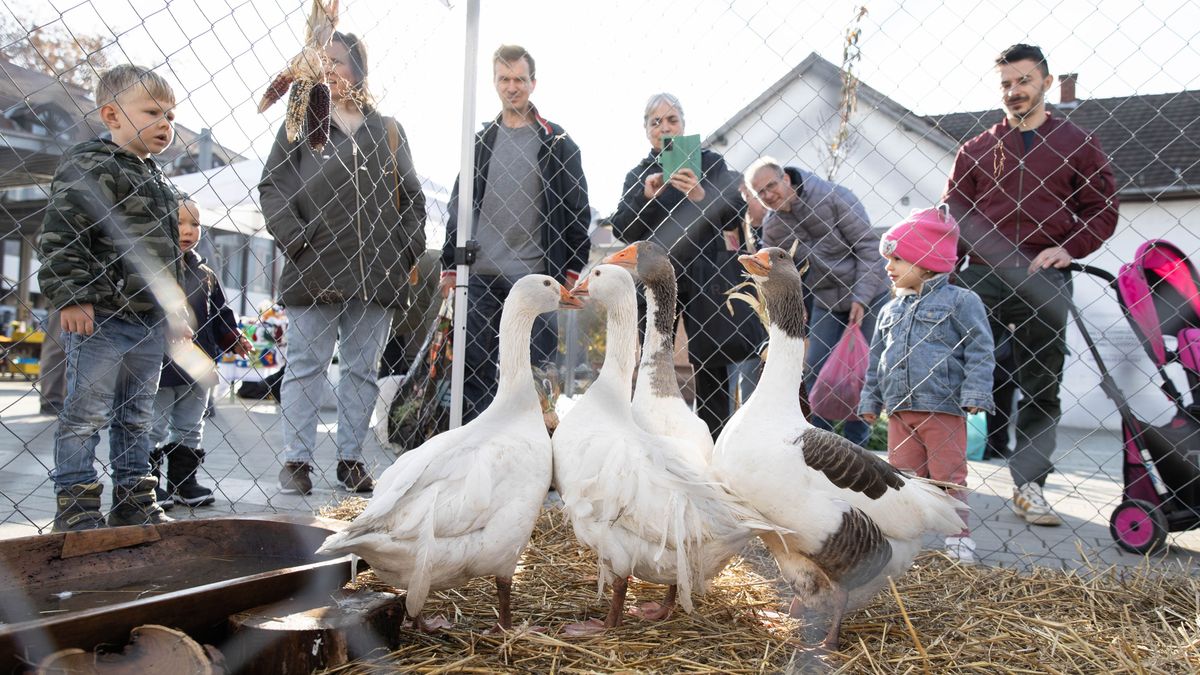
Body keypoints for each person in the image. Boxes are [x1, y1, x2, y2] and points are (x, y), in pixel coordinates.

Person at [943, 43, 1118, 526]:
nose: (1014, 92)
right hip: (981, 276)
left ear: (1044, 81)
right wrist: (946, 271)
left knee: (1043, 383)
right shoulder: (977, 149)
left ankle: (1029, 488)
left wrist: (1070, 248)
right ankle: (939, 481)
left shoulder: (1078, 143)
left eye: (1023, 81)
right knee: (952, 372)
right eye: (1005, 84)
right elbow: (953, 215)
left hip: (1044, 277)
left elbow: (1102, 209)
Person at [261, 31, 426, 496]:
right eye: (322, 63)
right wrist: (297, 239)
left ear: (359, 69)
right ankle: (296, 461)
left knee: (361, 370)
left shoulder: (387, 130)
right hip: (314, 267)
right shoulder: (301, 125)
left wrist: (404, 250)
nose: (329, 71)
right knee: (305, 366)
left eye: (338, 62)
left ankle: (350, 459)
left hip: (376, 273)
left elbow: (412, 199)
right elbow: (272, 187)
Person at [37, 64, 183, 531]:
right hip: (100, 317)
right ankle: (77, 503)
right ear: (112, 115)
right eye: (153, 112)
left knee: (137, 416)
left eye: (172, 115)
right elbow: (62, 235)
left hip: (147, 322)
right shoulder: (90, 163)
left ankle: (133, 497)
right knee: (85, 414)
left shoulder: (159, 180)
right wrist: (73, 296)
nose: (167, 123)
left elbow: (168, 258)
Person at [439, 44, 590, 422]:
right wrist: (449, 266)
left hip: (534, 276)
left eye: (519, 79)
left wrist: (570, 272)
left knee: (535, 372)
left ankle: (533, 451)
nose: (512, 87)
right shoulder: (479, 142)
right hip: (481, 275)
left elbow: (577, 211)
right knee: (474, 371)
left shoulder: (558, 143)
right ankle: (476, 452)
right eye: (504, 79)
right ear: (495, 82)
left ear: (532, 83)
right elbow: (459, 205)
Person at [609, 93, 764, 435]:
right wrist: (645, 197)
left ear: (684, 124)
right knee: (654, 360)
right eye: (655, 122)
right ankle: (654, 437)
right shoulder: (640, 174)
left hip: (707, 276)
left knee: (710, 364)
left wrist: (699, 195)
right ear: (647, 131)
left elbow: (736, 217)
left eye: (671, 120)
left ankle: (712, 444)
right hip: (656, 276)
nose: (664, 127)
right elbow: (622, 228)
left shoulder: (710, 164)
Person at [858, 207, 995, 564]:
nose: (889, 266)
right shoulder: (890, 311)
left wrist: (976, 393)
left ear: (926, 260)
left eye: (898, 259)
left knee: (949, 476)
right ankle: (907, 537)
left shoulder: (961, 302)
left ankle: (958, 536)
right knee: (903, 480)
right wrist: (870, 398)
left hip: (943, 408)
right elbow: (876, 360)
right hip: (900, 410)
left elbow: (980, 348)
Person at [746, 157, 889, 447]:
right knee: (814, 369)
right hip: (826, 299)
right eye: (760, 193)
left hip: (870, 292)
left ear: (785, 178)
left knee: (858, 372)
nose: (768, 195)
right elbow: (781, 273)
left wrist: (860, 297)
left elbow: (867, 248)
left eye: (771, 185)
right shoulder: (774, 227)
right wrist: (792, 303)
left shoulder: (834, 197)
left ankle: (856, 446)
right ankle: (819, 443)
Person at [150, 195, 252, 510]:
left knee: (191, 425)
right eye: (179, 222)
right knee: (153, 424)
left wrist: (233, 337)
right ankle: (148, 484)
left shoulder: (204, 272)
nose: (187, 229)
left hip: (199, 364)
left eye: (194, 223)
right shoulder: (154, 269)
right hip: (162, 365)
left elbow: (220, 313)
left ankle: (183, 482)